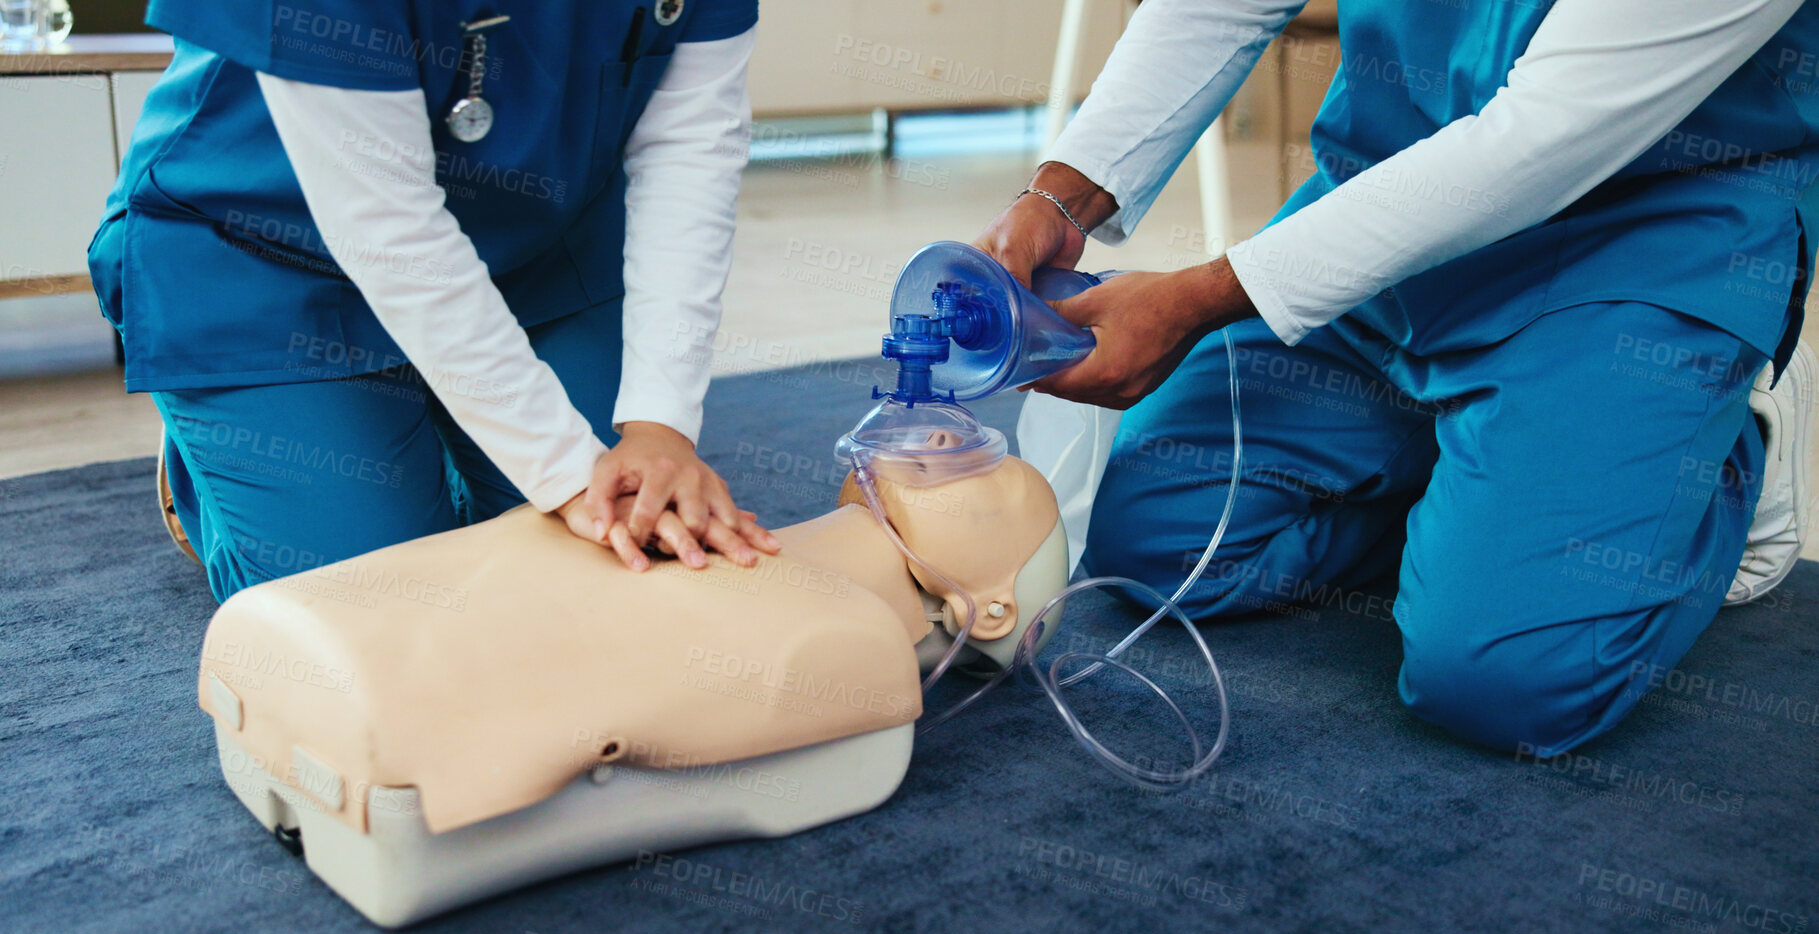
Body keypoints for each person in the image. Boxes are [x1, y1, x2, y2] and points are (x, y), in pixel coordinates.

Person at [976, 0, 1818, 756]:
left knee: (1503, 680)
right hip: (1387, 205)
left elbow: (1541, 137)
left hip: (1637, 241)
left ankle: (1730, 445)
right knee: (1160, 540)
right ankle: (1476, 493)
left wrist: (1196, 300)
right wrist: (1059, 197)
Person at [88, 0, 778, 603]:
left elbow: (691, 144)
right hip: (259, 255)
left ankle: (435, 432)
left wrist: (660, 426)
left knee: (623, 557)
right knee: (382, 606)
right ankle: (212, 474)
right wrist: (566, 475)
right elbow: (386, 225)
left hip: (532, 243)